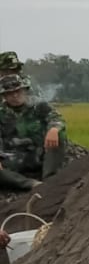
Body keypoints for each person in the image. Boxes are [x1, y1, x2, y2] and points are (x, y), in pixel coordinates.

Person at [0, 52, 67, 186]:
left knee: (58, 136)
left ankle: (49, 181)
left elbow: (56, 118)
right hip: (13, 157)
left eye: (18, 91)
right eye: (10, 93)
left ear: (25, 90)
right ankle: (32, 185)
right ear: (4, 96)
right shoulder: (1, 112)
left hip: (38, 153)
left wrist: (54, 129)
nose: (15, 96)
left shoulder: (38, 105)